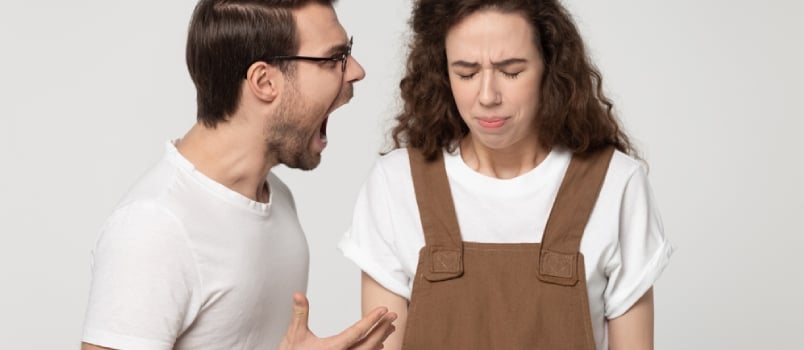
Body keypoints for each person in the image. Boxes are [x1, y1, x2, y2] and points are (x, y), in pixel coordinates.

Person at [339, 0, 673, 349]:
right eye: (466, 73)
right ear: (442, 72)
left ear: (550, 66)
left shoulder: (615, 184)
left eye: (511, 71)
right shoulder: (396, 184)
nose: (487, 96)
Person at [81, 0, 397, 349]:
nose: (355, 70)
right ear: (264, 81)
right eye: (333, 58)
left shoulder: (275, 198)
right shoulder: (153, 229)